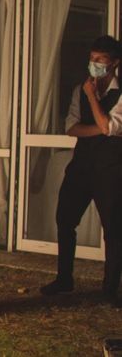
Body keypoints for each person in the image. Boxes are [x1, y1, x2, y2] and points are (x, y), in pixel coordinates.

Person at [40, 35, 122, 307]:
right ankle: (65, 279)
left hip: (111, 170)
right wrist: (99, 128)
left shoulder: (117, 93)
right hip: (82, 167)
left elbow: (112, 127)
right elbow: (72, 126)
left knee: (113, 229)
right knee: (65, 219)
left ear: (114, 63)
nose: (94, 65)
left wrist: (93, 100)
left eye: (100, 60)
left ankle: (109, 290)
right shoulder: (80, 90)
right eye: (91, 59)